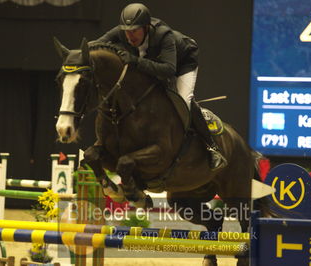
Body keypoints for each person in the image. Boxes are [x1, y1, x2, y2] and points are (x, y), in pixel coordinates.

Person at [94, 3, 227, 170]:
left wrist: (135, 61)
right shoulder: (123, 32)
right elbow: (96, 45)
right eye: (127, 31)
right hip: (155, 62)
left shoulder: (164, 36)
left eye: (134, 31)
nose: (129, 36)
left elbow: (168, 70)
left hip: (182, 62)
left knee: (184, 100)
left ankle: (212, 148)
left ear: (146, 27)